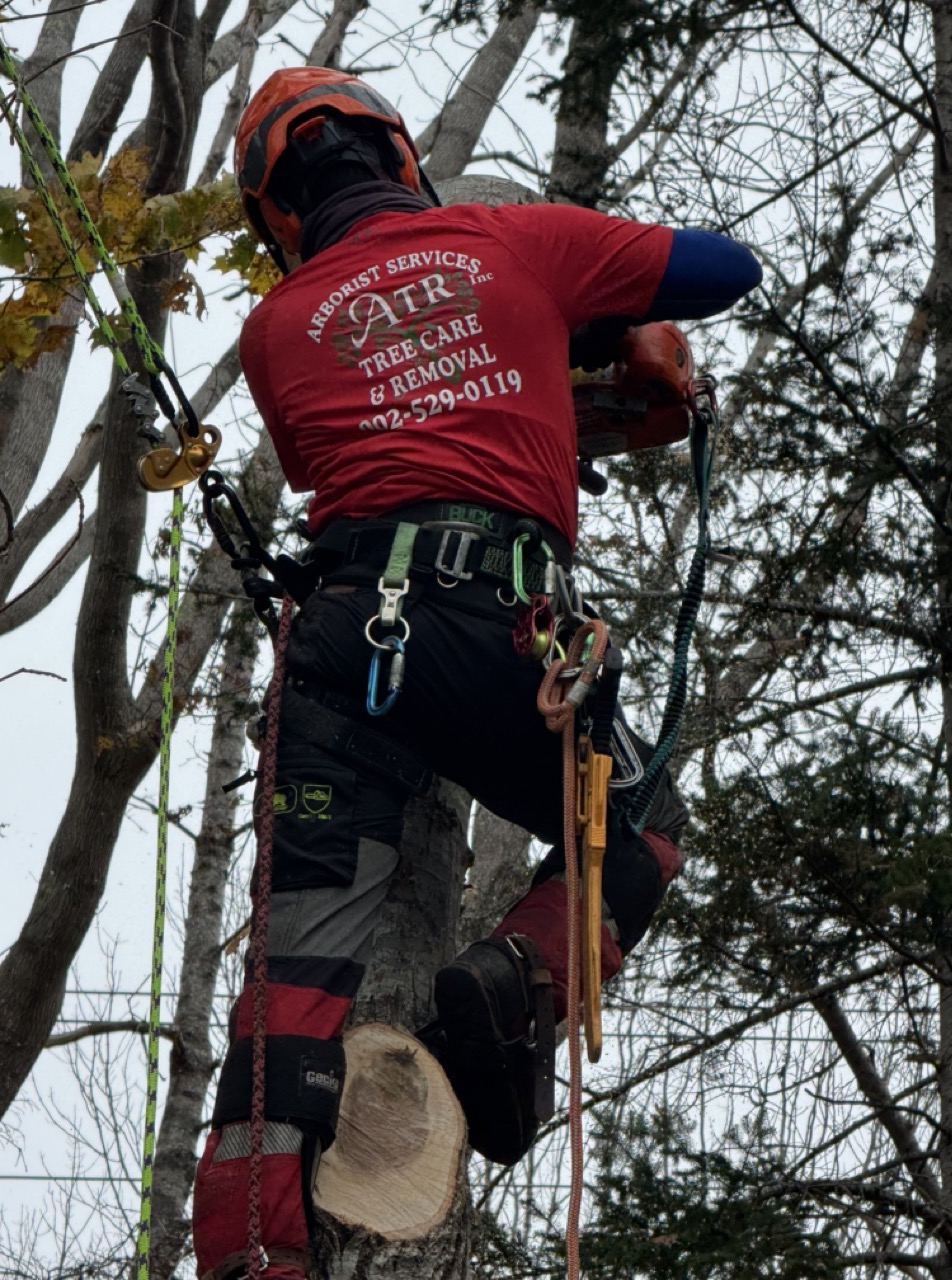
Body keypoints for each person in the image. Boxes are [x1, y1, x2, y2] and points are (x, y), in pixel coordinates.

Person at [192, 66, 761, 1280]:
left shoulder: (275, 328)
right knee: (643, 826)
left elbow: (378, 437)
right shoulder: (517, 243)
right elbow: (723, 269)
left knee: (288, 988)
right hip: (508, 637)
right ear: (403, 158)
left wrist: (550, 374)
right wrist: (593, 333)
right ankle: (513, 982)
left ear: (277, 214)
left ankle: (250, 1253)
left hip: (349, 646)